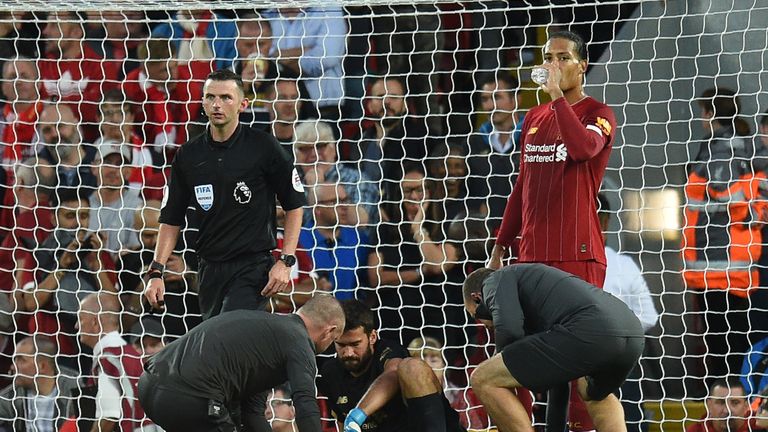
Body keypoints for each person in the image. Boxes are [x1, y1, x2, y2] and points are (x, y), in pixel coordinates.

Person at [487, 30, 617, 431]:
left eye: (562, 58)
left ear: (582, 65)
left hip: (577, 256)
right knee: (518, 356)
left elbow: (581, 150)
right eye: (547, 57)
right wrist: (500, 244)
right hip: (531, 257)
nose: (552, 65)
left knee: (581, 369)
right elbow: (522, 186)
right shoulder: (534, 118)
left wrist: (558, 97)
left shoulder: (599, 113)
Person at [144, 69, 307, 320]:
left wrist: (285, 261)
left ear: (243, 104)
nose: (217, 104)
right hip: (208, 269)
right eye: (210, 97)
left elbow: (295, 204)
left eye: (226, 97)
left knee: (229, 332)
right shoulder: (189, 155)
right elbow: (171, 217)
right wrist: (156, 272)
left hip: (252, 266)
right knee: (220, 350)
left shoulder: (263, 147)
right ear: (202, 102)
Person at [463, 264, 644, 431]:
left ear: (477, 298)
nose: (483, 324)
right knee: (591, 393)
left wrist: (497, 364)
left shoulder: (495, 280)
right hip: (632, 335)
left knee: (483, 378)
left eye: (474, 314)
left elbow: (510, 330)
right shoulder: (540, 300)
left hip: (590, 330)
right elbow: (559, 384)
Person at [138, 295, 345, 432]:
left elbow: (252, 413)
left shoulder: (265, 333)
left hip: (149, 386)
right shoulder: (300, 342)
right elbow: (305, 403)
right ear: (330, 331)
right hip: (192, 397)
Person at [682, 87, 767, 383]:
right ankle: (733, 404)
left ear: (709, 114)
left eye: (702, 112)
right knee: (734, 345)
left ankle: (724, 408)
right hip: (734, 266)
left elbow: (723, 193)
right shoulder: (747, 148)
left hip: (717, 266)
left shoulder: (720, 150)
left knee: (721, 350)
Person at [316, 299, 464, 432]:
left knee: (412, 367)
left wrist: (358, 414)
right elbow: (342, 424)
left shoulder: (388, 351)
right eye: (341, 345)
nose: (348, 352)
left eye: (355, 344)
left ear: (372, 337)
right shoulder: (331, 372)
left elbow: (392, 373)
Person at [598, 192, 658, 431]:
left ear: (604, 222)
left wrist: (608, 337)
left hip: (619, 364)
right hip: (584, 363)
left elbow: (649, 316)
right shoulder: (564, 264)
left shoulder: (623, 265)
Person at [77, 292, 148, 432]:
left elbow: (108, 418)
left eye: (80, 319)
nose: (76, 326)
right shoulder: (132, 355)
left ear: (95, 322)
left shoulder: (108, 359)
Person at [467, 72, 524, 229]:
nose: (490, 106)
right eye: (485, 99)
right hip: (485, 236)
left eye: (497, 97)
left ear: (516, 99)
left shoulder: (537, 138)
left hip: (528, 232)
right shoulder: (473, 144)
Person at [299, 183, 370, 300]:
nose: (344, 206)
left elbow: (369, 285)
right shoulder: (298, 241)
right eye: (335, 202)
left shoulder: (359, 240)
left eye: (345, 200)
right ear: (317, 209)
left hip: (351, 315)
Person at [0, 336, 80, 432]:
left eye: (21, 360)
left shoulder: (77, 391)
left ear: (42, 366)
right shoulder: (9, 397)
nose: (13, 367)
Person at [686, 379, 763, 432]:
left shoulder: (762, 427)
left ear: (746, 406)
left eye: (735, 402)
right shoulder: (695, 430)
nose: (727, 410)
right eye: (720, 402)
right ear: (709, 405)